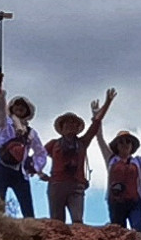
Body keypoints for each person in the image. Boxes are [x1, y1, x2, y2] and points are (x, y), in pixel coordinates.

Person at [42, 90, 115, 224]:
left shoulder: (82, 143)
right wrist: (39, 173)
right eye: (67, 123)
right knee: (57, 223)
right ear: (62, 127)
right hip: (57, 185)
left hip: (76, 185)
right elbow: (38, 157)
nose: (70, 126)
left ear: (77, 128)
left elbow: (96, 123)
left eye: (73, 123)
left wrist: (108, 102)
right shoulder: (54, 144)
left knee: (77, 221)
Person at [0, 73, 47, 218]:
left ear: (27, 111)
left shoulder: (31, 133)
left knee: (28, 210)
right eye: (17, 105)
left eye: (23, 106)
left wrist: (34, 167)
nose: (20, 107)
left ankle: (31, 229)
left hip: (20, 171)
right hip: (0, 166)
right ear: (12, 108)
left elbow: (41, 152)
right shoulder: (4, 122)